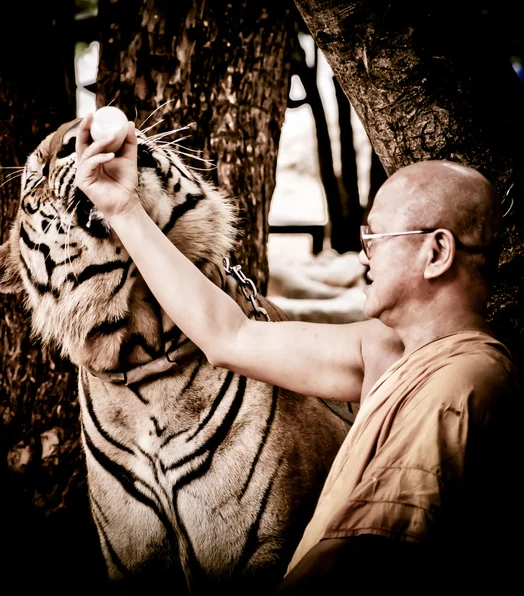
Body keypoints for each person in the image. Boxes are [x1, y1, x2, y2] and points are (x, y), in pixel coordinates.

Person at [75, 115, 520, 592]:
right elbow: (229, 338)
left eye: (375, 238)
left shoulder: (463, 381)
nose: (362, 256)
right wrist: (123, 208)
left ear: (437, 252)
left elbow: (362, 550)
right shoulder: (387, 348)